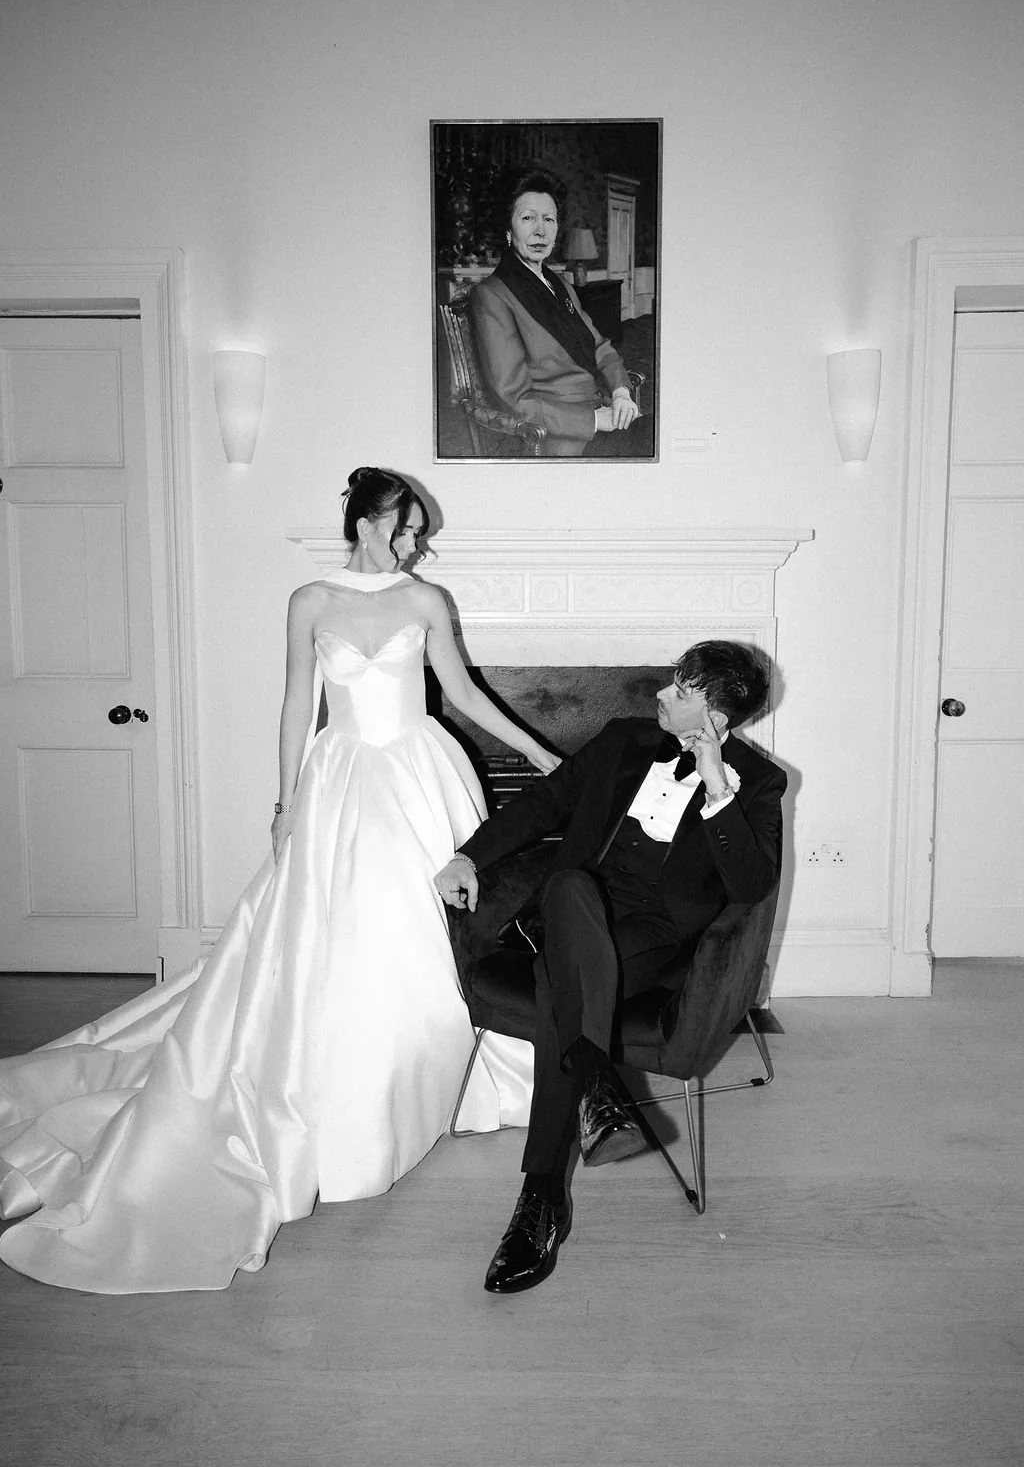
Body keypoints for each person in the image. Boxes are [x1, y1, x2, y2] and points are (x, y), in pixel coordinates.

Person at [0, 467, 557, 1293]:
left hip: (417, 775)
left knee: (431, 935)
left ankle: (423, 1079)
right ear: (367, 523)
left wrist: (542, 754)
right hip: (340, 781)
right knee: (337, 938)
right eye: (406, 528)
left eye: (418, 531)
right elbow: (299, 703)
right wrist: (286, 802)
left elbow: (463, 692)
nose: (416, 544)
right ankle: (347, 1096)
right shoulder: (310, 601)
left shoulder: (424, 600)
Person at [435, 641, 786, 1295]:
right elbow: (545, 804)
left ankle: (543, 1196)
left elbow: (749, 886)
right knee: (570, 889)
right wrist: (468, 857)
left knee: (560, 986)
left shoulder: (758, 782)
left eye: (681, 691)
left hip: (655, 939)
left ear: (716, 717)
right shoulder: (624, 739)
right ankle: (588, 1107)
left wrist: (716, 784)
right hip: (578, 908)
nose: (661, 694)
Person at [468, 168, 650, 458]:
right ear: (507, 231)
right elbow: (513, 399)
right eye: (528, 218)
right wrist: (593, 421)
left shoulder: (560, 284)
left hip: (601, 409)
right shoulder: (491, 295)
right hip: (559, 436)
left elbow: (599, 346)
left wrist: (620, 392)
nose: (540, 230)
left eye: (549, 219)